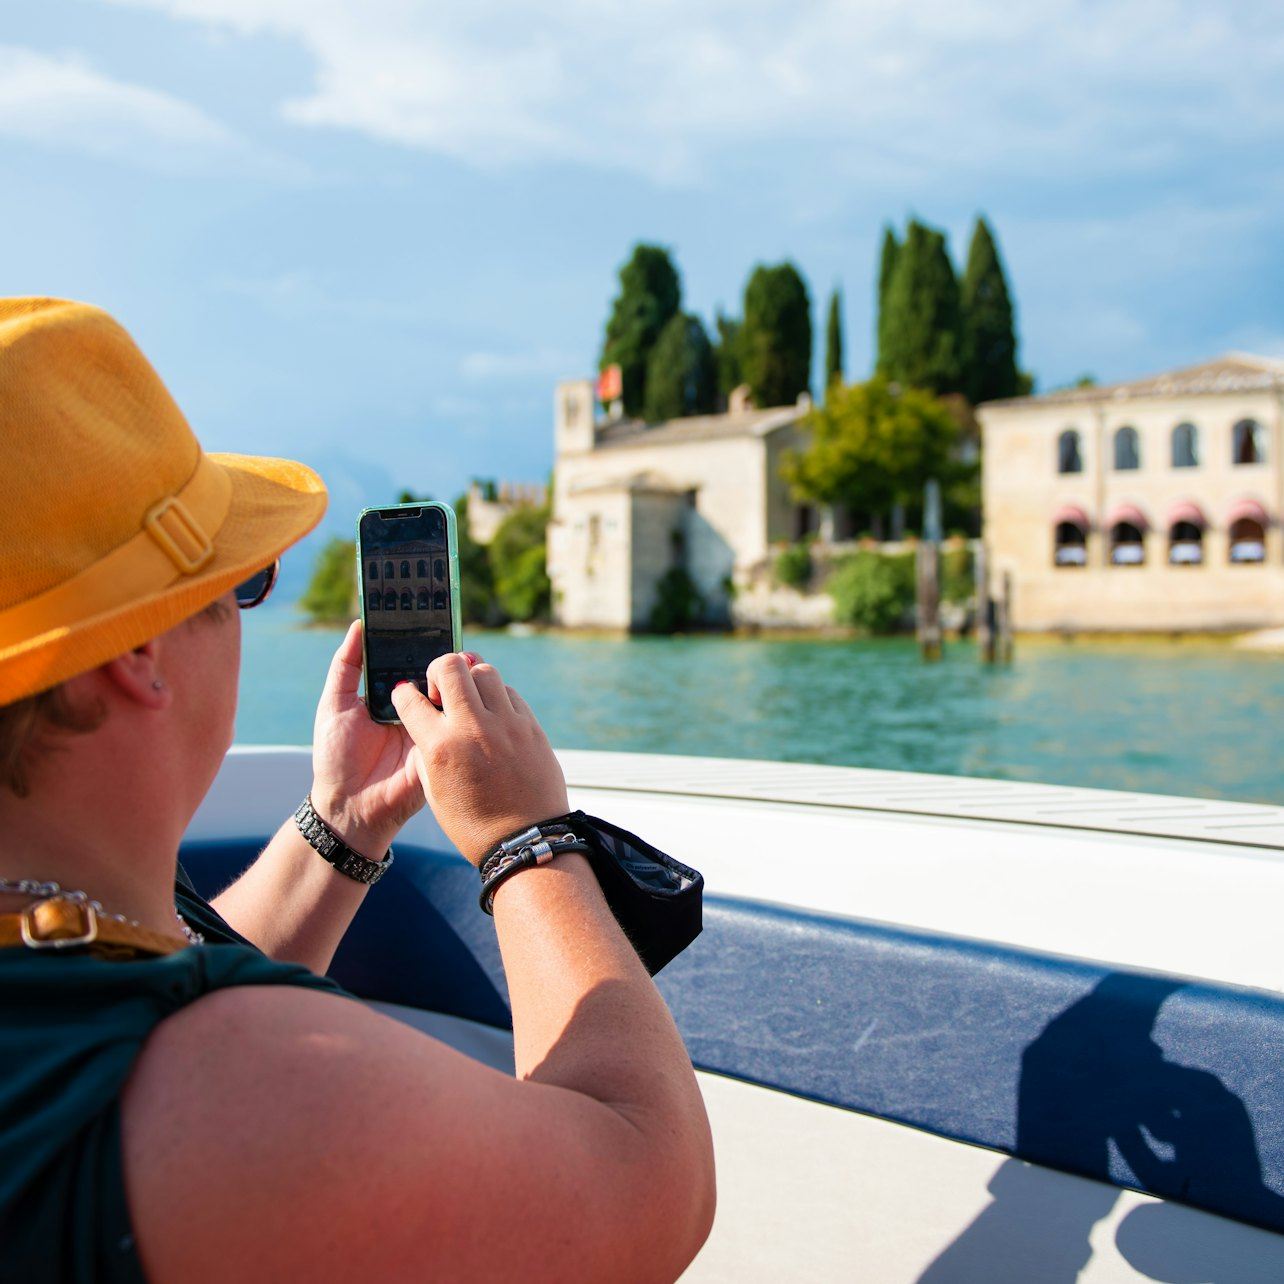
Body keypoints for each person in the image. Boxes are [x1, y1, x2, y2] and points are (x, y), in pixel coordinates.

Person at [0, 298, 716, 1283]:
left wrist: (340, 825)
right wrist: (524, 839)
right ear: (137, 653)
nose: (247, 616)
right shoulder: (237, 1090)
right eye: (238, 586)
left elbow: (140, 965)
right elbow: (646, 1185)